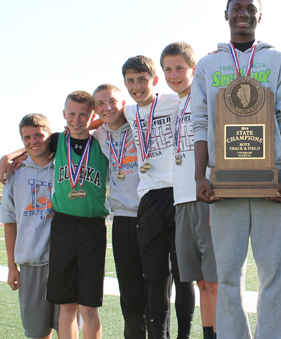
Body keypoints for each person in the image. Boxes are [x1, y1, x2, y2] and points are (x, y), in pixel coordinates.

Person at [191, 0, 281, 339]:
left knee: (272, 273)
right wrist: (200, 175)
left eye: (250, 8)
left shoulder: (278, 60)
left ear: (259, 16)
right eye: (236, 8)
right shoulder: (207, 64)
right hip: (224, 183)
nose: (243, 13)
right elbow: (201, 121)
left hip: (271, 180)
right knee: (227, 275)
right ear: (226, 15)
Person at [121, 55, 195, 339]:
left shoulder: (174, 101)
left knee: (183, 273)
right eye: (130, 81)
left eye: (142, 79)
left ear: (154, 80)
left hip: (179, 194)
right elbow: (99, 120)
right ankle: (158, 335)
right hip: (149, 198)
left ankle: (184, 335)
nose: (136, 86)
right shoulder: (128, 111)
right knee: (153, 276)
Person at [160, 42, 218, 339]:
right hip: (181, 198)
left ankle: (225, 332)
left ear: (193, 69)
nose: (174, 75)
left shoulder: (205, 94)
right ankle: (209, 333)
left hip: (207, 196)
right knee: (201, 282)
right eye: (168, 69)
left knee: (216, 280)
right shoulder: (175, 102)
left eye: (180, 68)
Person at [44, 90, 109, 339]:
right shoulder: (56, 140)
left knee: (89, 305)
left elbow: (119, 115)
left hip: (92, 227)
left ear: (92, 115)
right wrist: (8, 158)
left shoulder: (102, 141)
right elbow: (31, 146)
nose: (77, 119)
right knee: (66, 304)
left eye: (84, 114)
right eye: (72, 114)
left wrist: (97, 121)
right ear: (64, 114)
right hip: (63, 226)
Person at [91, 83, 150, 338]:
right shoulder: (99, 135)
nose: (107, 107)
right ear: (95, 109)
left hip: (152, 214)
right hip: (122, 219)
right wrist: (11, 156)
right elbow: (60, 135)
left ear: (123, 102)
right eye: (100, 104)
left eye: (112, 101)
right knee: (129, 289)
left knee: (156, 287)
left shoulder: (141, 121)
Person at [0, 113, 59, 339]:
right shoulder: (15, 172)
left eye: (38, 135)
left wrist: (9, 155)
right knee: (37, 333)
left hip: (62, 261)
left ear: (49, 135)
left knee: (67, 327)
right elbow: (9, 220)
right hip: (31, 261)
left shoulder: (64, 165)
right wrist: (11, 266)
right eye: (26, 138)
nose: (33, 141)